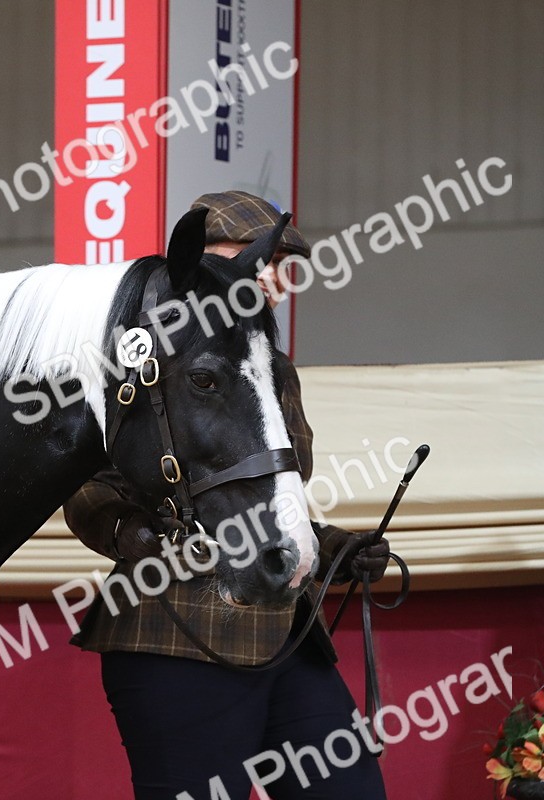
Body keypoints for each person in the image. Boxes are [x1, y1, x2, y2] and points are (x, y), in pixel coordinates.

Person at [64, 191, 391, 799]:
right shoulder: (142, 360)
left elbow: (260, 499)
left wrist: (330, 548)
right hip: (175, 634)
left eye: (275, 264)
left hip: (288, 636)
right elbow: (86, 492)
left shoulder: (273, 368)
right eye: (252, 258)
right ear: (204, 260)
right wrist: (136, 538)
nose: (266, 277)